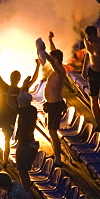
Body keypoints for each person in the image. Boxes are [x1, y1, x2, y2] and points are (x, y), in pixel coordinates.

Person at [38, 31, 67, 166]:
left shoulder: (60, 71)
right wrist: (50, 40)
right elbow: (54, 53)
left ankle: (58, 158)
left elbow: (53, 61)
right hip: (51, 104)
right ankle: (56, 154)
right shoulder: (58, 65)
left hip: (55, 105)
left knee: (53, 132)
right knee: (51, 131)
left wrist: (44, 53)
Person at [0, 49, 20, 164]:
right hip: (6, 116)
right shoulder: (17, 90)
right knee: (4, 138)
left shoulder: (5, 86)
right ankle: (3, 163)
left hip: (1, 114)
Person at [13, 91, 39, 191]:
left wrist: (12, 88)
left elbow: (9, 101)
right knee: (24, 170)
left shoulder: (24, 112)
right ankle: (27, 190)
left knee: (22, 171)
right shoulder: (33, 110)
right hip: (30, 143)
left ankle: (27, 192)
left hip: (25, 145)